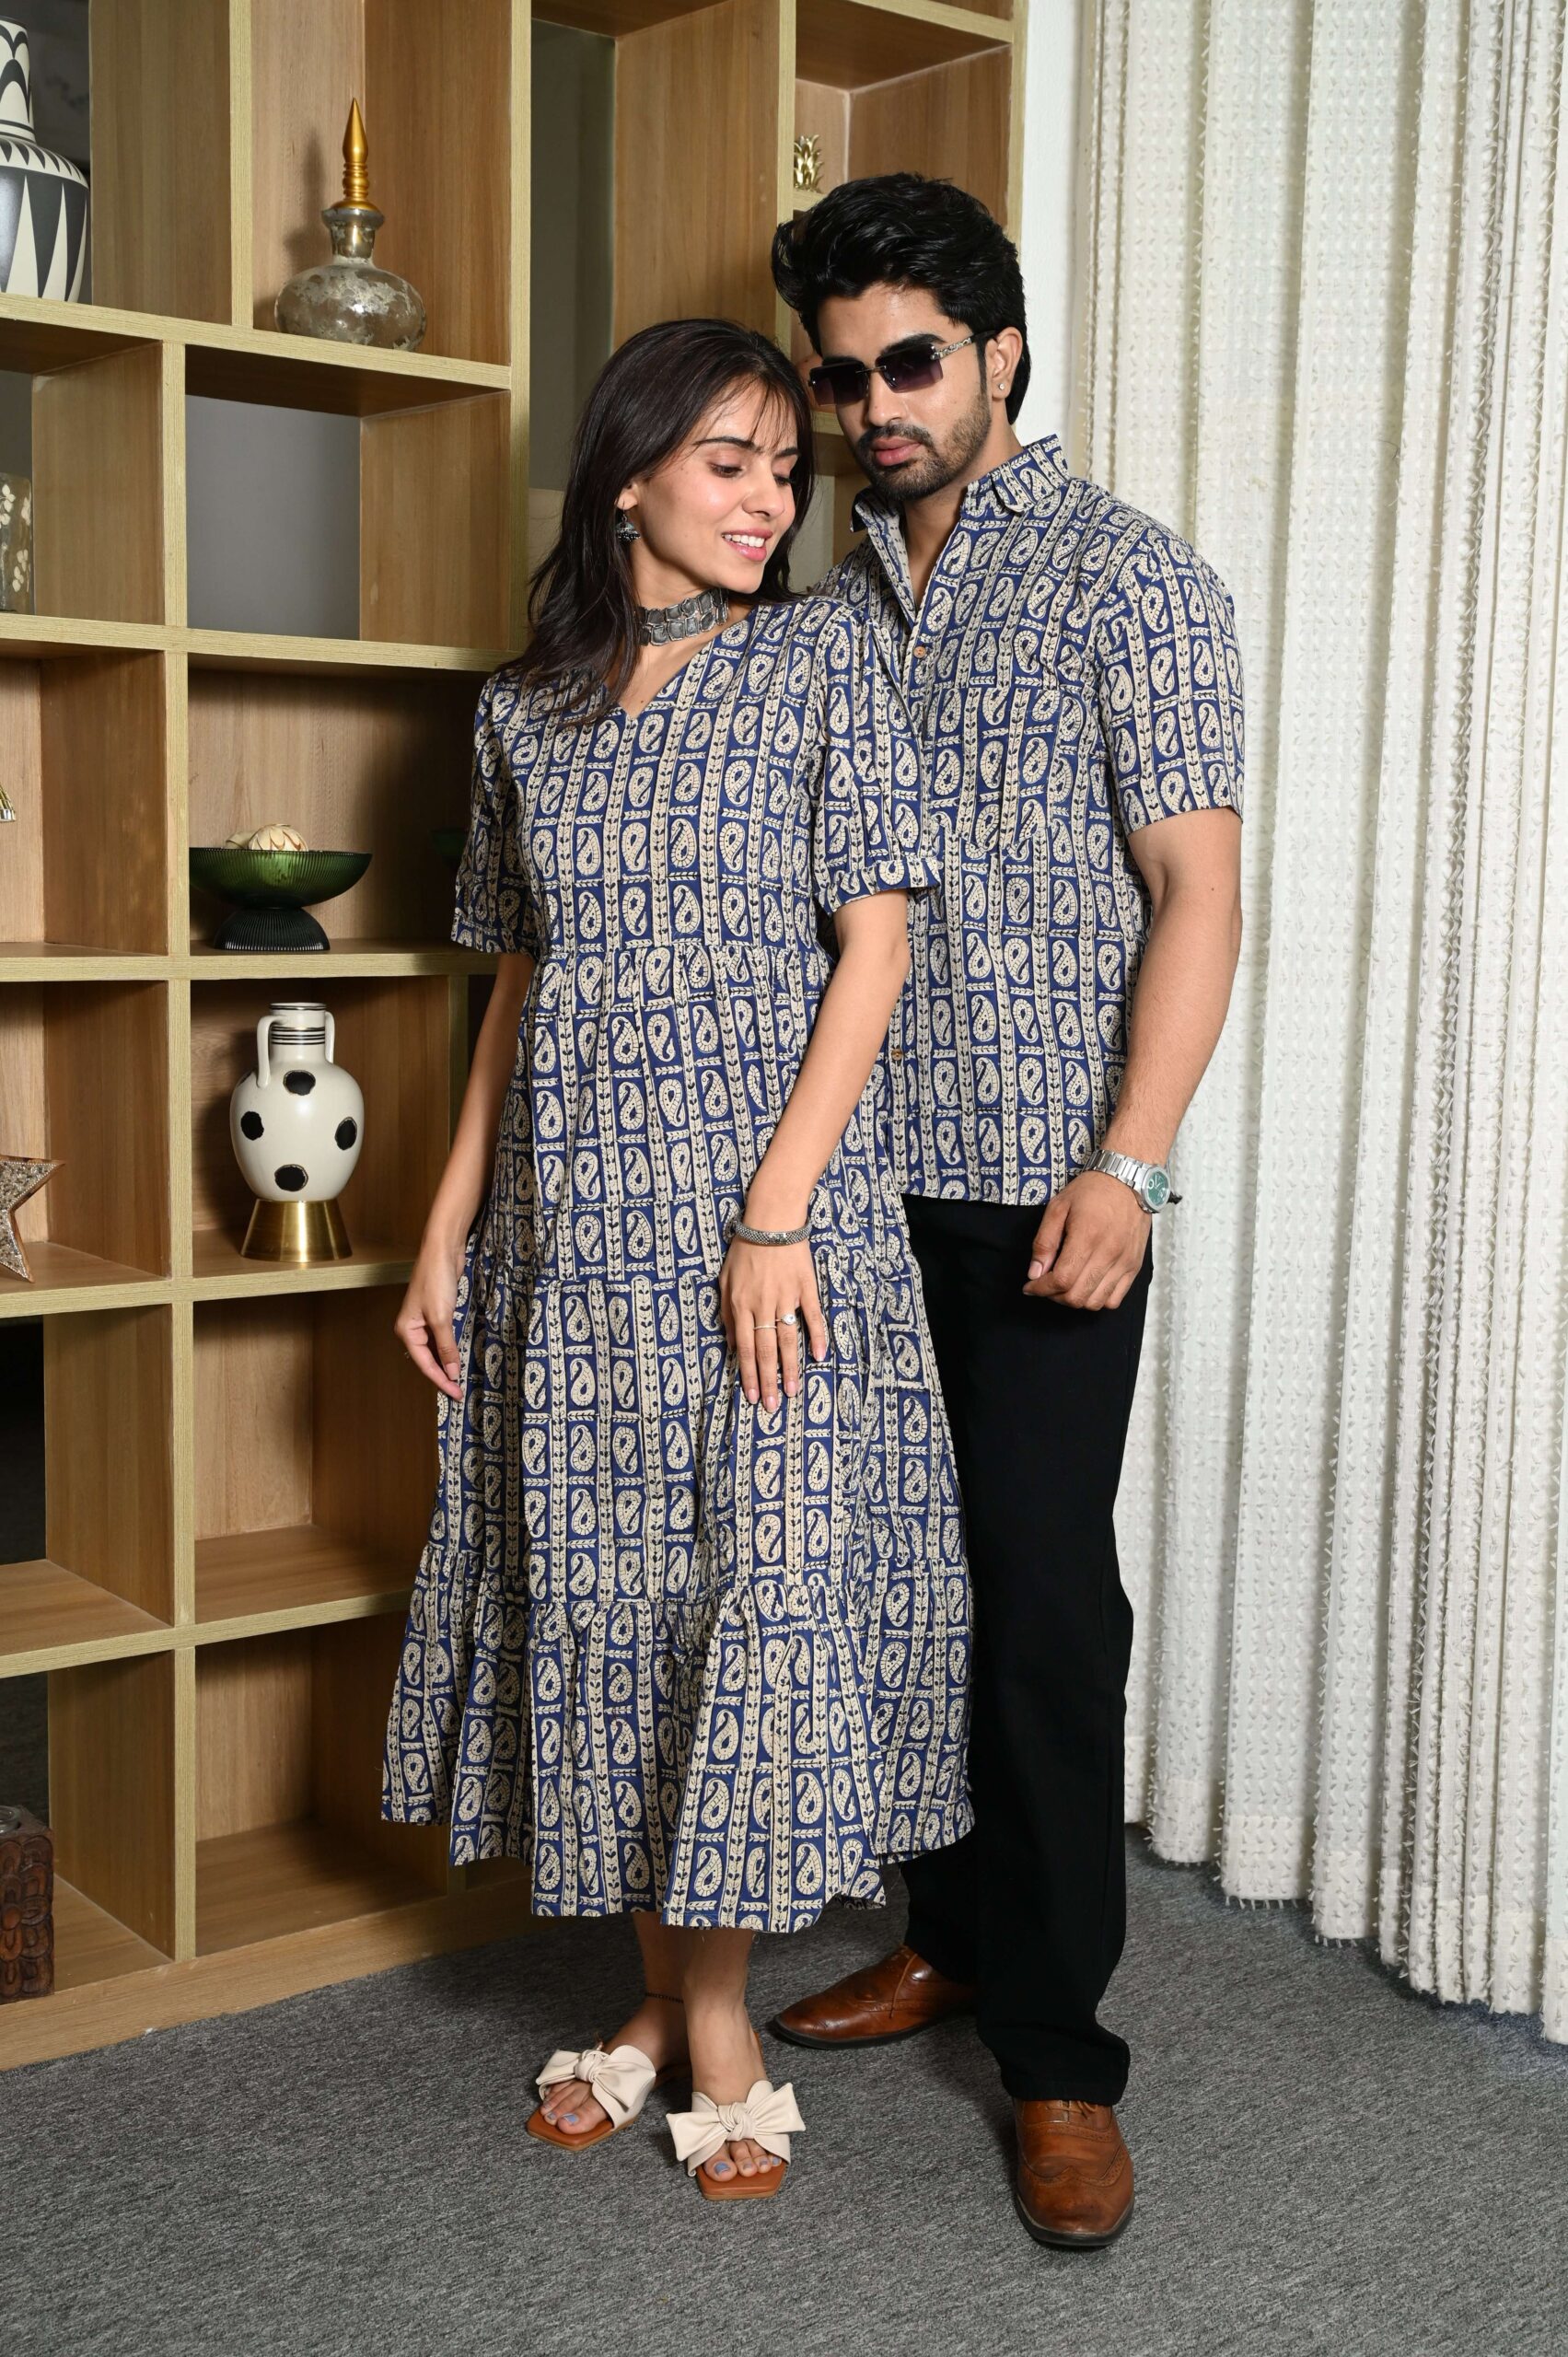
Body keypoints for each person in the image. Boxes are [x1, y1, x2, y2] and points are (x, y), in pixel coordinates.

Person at [380, 316, 971, 2202]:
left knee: (748, 1593)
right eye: (729, 461)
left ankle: (708, 2026)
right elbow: (519, 978)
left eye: (786, 469)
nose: (768, 498)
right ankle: (666, 2000)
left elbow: (876, 948)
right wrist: (450, 1219)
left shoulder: (819, 660)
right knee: (618, 1608)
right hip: (573, 1234)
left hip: (765, 1232)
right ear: (628, 472)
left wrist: (777, 1210)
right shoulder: (522, 711)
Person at [769, 174, 1245, 2249]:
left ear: (1001, 355)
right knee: (906, 1586)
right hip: (853, 1192)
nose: (874, 404)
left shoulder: (1135, 580)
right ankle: (951, 1936)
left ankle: (1059, 2057)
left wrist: (1130, 1162)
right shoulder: (819, 610)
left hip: (1051, 1187)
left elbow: (1200, 895)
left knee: (1045, 1600)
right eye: (841, 374)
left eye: (911, 363)